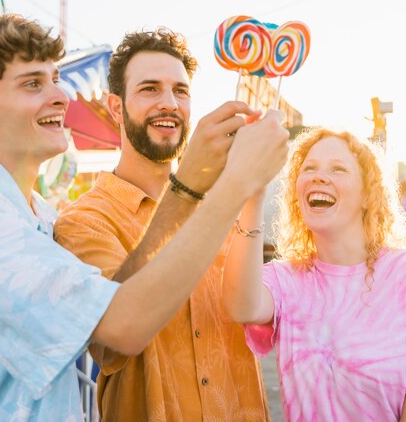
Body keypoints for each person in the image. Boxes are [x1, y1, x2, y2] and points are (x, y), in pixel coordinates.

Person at [0, 14, 289, 420]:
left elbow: (117, 304)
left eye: (55, 79)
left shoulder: (36, 216)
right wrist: (221, 185)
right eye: (33, 83)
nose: (62, 96)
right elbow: (121, 330)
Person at [54, 28, 273, 421]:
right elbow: (109, 345)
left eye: (181, 91)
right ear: (116, 108)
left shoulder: (229, 203)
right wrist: (189, 188)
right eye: (150, 89)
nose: (169, 103)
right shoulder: (83, 221)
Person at [222, 127, 406, 421]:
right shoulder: (285, 278)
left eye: (338, 169)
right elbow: (240, 306)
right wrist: (252, 196)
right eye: (309, 168)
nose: (319, 176)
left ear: (368, 196)